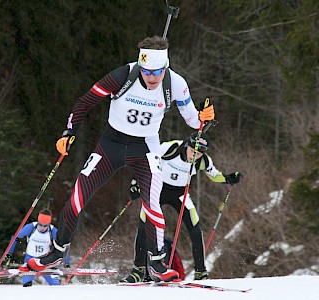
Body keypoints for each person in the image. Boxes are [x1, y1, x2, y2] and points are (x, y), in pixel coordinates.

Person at [21, 36, 215, 282]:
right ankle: (57, 254)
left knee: (152, 202)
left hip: (146, 148)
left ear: (165, 67)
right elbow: (85, 102)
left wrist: (203, 118)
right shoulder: (123, 76)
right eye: (146, 71)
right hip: (110, 145)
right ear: (140, 65)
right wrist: (68, 132)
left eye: (157, 71)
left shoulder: (176, 84)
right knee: (78, 196)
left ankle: (156, 262)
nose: (151, 77)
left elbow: (193, 121)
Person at [120, 132, 241, 283]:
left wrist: (228, 178)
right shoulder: (170, 148)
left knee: (195, 229)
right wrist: (135, 182)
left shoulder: (203, 161)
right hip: (158, 189)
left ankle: (200, 272)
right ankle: (138, 270)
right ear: (187, 145)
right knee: (144, 226)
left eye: (198, 154)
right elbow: (146, 159)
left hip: (180, 193)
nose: (194, 156)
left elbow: (215, 175)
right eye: (192, 151)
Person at [3, 208, 69, 287]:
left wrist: (66, 263)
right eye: (40, 224)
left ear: (49, 224)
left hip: (45, 262)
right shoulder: (30, 228)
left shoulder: (53, 231)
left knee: (56, 285)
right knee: (27, 285)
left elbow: (63, 247)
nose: (42, 227)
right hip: (30, 261)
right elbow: (15, 237)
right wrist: (9, 253)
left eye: (45, 226)